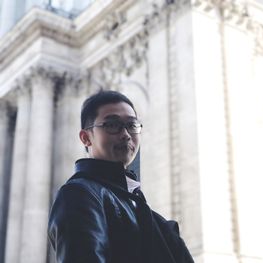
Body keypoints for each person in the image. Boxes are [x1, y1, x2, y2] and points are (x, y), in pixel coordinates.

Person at [48, 90, 194, 263]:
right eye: (112, 125)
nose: (125, 134)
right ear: (86, 138)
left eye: (132, 125)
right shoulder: (77, 194)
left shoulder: (156, 220)